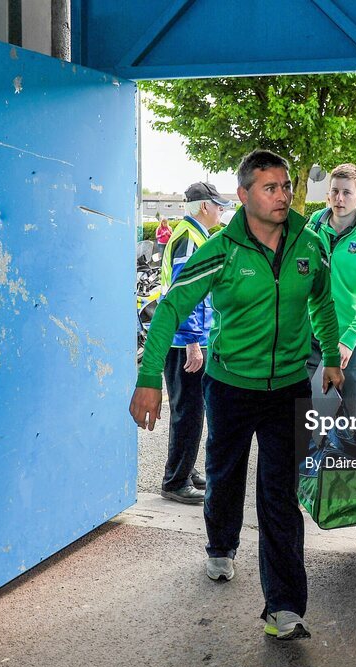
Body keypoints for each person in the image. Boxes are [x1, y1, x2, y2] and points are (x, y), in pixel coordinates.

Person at [129, 150, 343, 641]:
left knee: (279, 495)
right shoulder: (221, 250)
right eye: (270, 187)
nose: (283, 195)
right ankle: (220, 547)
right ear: (243, 195)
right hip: (229, 386)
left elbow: (323, 302)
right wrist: (146, 379)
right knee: (225, 477)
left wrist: (330, 357)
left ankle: (284, 608)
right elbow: (168, 310)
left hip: (288, 387)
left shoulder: (308, 244)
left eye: (286, 185)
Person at [156, 182, 232, 503]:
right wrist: (191, 341)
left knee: (192, 409)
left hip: (184, 337)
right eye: (218, 205)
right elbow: (184, 291)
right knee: (187, 411)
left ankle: (184, 470)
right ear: (204, 207)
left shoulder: (195, 234)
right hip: (181, 340)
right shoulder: (190, 238)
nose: (221, 210)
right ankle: (175, 482)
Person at [304, 164, 356, 416]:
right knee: (307, 406)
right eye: (335, 191)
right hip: (311, 333)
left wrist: (350, 339)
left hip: (348, 336)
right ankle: (309, 455)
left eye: (347, 192)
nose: (339, 199)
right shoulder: (313, 226)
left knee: (350, 409)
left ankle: (349, 455)